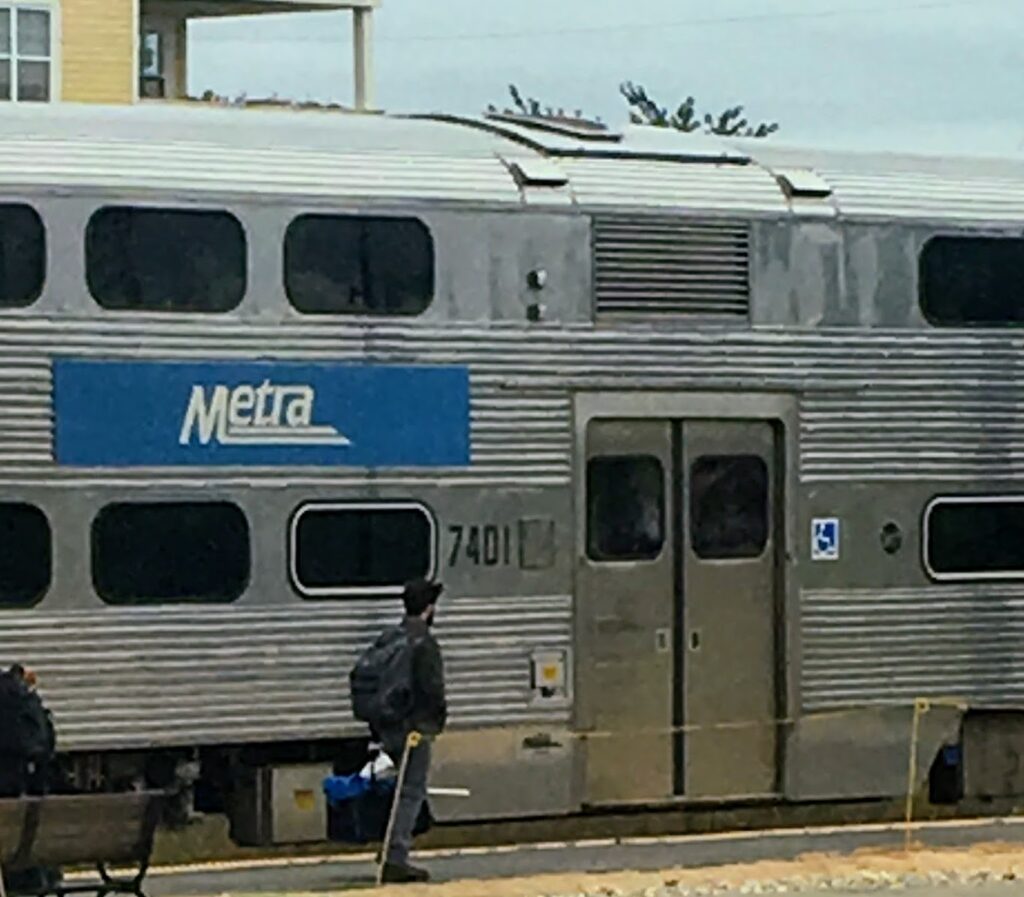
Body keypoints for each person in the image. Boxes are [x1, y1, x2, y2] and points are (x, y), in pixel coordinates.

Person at [376, 579, 447, 884]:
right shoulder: (424, 642)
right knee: (411, 791)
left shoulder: (391, 637)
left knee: (398, 790)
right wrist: (435, 722)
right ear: (429, 608)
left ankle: (389, 848)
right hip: (413, 728)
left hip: (388, 724)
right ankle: (396, 858)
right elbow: (431, 689)